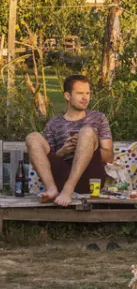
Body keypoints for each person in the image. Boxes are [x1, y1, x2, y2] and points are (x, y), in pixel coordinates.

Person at [25, 74, 113, 207]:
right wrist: (62, 151)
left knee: (87, 131)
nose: (85, 97)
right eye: (80, 93)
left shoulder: (98, 118)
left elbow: (109, 157)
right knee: (32, 137)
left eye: (88, 93)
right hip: (61, 176)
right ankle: (52, 190)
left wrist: (86, 145)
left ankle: (68, 189)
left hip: (90, 178)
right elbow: (47, 160)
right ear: (67, 96)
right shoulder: (53, 124)